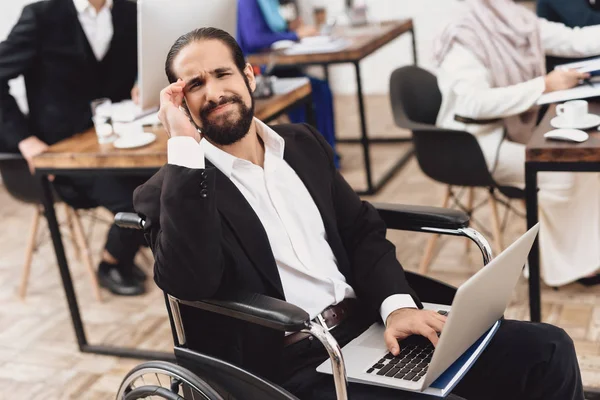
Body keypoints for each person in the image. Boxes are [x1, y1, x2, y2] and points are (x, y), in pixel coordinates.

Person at [133, 27, 583, 400]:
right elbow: (192, 282)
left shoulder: (301, 144)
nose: (213, 92)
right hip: (297, 360)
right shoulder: (169, 190)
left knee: (550, 350)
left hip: (373, 321)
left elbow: (361, 230)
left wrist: (397, 307)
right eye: (194, 85)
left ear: (250, 76)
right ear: (180, 103)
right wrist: (183, 154)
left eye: (221, 74)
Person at [433, 0, 600, 288]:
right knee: (562, 175)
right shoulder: (464, 31)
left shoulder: (513, 19)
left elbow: (573, 40)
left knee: (583, 168)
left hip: (507, 130)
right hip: (470, 143)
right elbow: (473, 103)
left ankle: (575, 259)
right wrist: (544, 85)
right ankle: (547, 265)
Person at [0, 0, 146, 296]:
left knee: (170, 182)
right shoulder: (41, 16)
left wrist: (140, 84)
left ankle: (145, 242)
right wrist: (23, 138)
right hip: (66, 154)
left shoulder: (129, 11)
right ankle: (112, 262)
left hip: (121, 140)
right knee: (138, 201)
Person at [237, 0, 339, 167]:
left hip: (279, 66)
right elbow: (255, 40)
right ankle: (315, 157)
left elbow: (274, 30)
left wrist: (291, 28)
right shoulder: (247, 2)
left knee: (320, 88)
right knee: (307, 92)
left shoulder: (273, 3)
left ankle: (327, 153)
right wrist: (295, 35)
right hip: (260, 74)